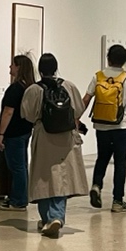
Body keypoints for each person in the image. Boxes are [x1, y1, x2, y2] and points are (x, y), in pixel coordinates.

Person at [21, 53, 88, 238]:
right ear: (56, 68)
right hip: (66, 137)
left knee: (43, 177)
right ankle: (56, 216)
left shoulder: (34, 90)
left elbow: (28, 114)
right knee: (61, 177)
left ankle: (47, 218)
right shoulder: (69, 86)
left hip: (44, 136)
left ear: (40, 69)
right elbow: (79, 109)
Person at [82, 44, 126, 213]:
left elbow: (86, 100)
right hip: (121, 127)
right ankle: (117, 201)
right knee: (120, 163)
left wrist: (76, 117)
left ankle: (96, 185)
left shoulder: (98, 77)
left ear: (108, 59)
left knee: (102, 158)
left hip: (101, 126)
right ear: (124, 61)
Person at [0, 55, 36, 211]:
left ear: (19, 67)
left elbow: (8, 112)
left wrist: (1, 134)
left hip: (13, 132)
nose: (10, 67)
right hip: (25, 130)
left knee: (17, 167)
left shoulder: (15, 88)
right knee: (21, 166)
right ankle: (19, 197)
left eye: (12, 64)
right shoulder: (29, 87)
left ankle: (19, 200)